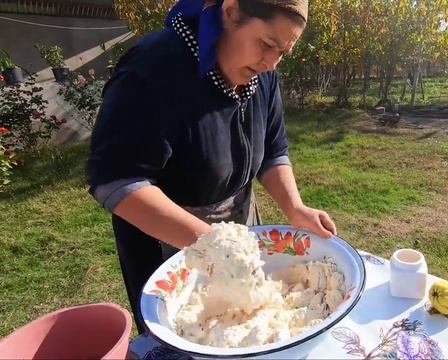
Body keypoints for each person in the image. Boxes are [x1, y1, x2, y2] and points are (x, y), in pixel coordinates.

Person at [87, 0, 336, 333]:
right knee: (193, 332)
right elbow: (117, 178)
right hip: (167, 239)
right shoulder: (153, 67)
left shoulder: (262, 77)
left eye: (282, 53)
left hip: (238, 228)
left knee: (252, 328)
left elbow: (273, 150)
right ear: (230, 10)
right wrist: (215, 246)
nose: (270, 63)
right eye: (265, 44)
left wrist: (295, 207)